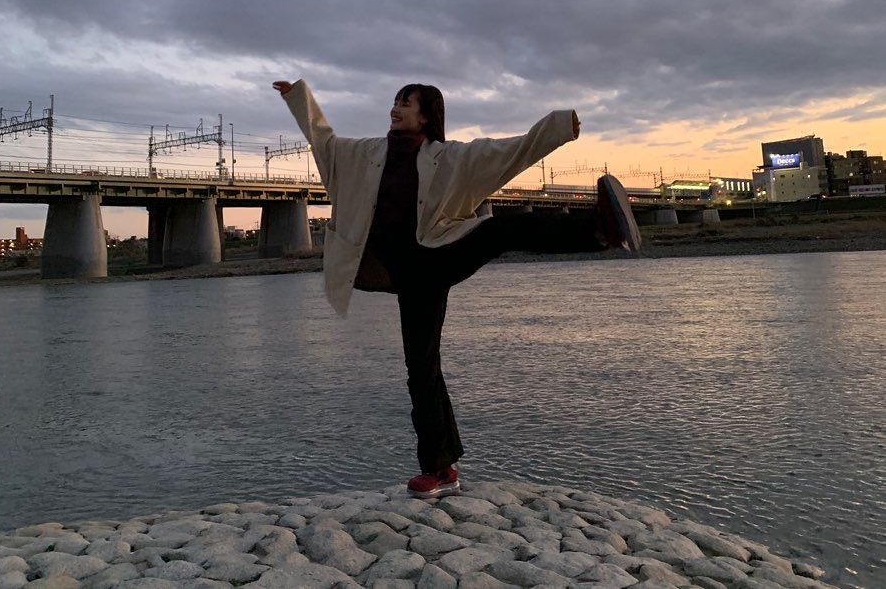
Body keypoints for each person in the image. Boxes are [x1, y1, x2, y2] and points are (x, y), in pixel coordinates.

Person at [272, 79, 641, 498]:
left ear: (425, 116)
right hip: (410, 276)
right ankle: (441, 469)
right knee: (421, 370)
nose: (395, 108)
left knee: (498, 230)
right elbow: (323, 140)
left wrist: (558, 128)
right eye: (395, 101)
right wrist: (297, 96)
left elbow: (509, 152)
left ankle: (598, 231)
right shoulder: (365, 153)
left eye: (406, 104)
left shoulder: (447, 157)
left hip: (441, 252)